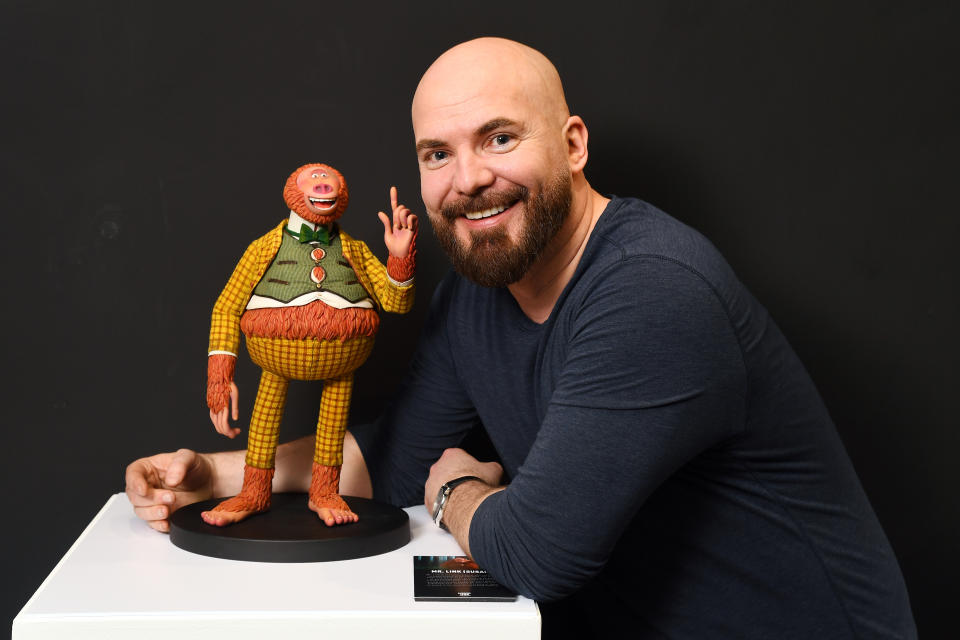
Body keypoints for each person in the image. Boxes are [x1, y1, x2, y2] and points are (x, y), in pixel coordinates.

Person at [126, 38, 916, 638]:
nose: (468, 178)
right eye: (440, 153)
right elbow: (398, 460)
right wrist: (215, 474)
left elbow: (537, 552)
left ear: (573, 145)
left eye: (500, 138)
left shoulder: (653, 288)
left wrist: (456, 490)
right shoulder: (479, 291)